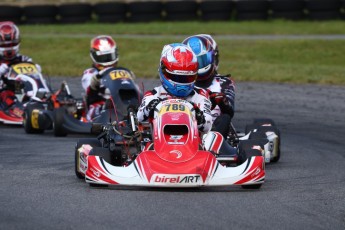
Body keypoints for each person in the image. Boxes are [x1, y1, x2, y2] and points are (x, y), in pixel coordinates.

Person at [137, 43, 212, 133]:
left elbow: (208, 126)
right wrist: (148, 108)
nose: (182, 82)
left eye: (187, 78)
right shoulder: (153, 95)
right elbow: (139, 117)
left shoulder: (200, 95)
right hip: (158, 142)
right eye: (176, 77)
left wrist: (199, 117)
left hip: (193, 143)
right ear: (164, 71)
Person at [182, 34, 235, 138]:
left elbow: (230, 110)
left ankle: (213, 145)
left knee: (225, 118)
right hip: (185, 124)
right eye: (194, 61)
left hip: (213, 129)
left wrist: (221, 101)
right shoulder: (180, 82)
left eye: (202, 60)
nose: (199, 65)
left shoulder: (224, 82)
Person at [81, 35, 136, 121]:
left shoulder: (121, 72)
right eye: (103, 57)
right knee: (104, 109)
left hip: (120, 103)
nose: (107, 60)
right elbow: (88, 87)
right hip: (99, 104)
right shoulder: (91, 73)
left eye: (110, 56)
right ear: (94, 56)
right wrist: (95, 82)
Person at [0, 21, 38, 110]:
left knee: (38, 92)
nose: (9, 48)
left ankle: (41, 103)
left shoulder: (24, 59)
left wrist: (36, 69)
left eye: (12, 44)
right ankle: (15, 109)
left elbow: (34, 77)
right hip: (4, 92)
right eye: (5, 45)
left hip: (21, 90)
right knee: (6, 96)